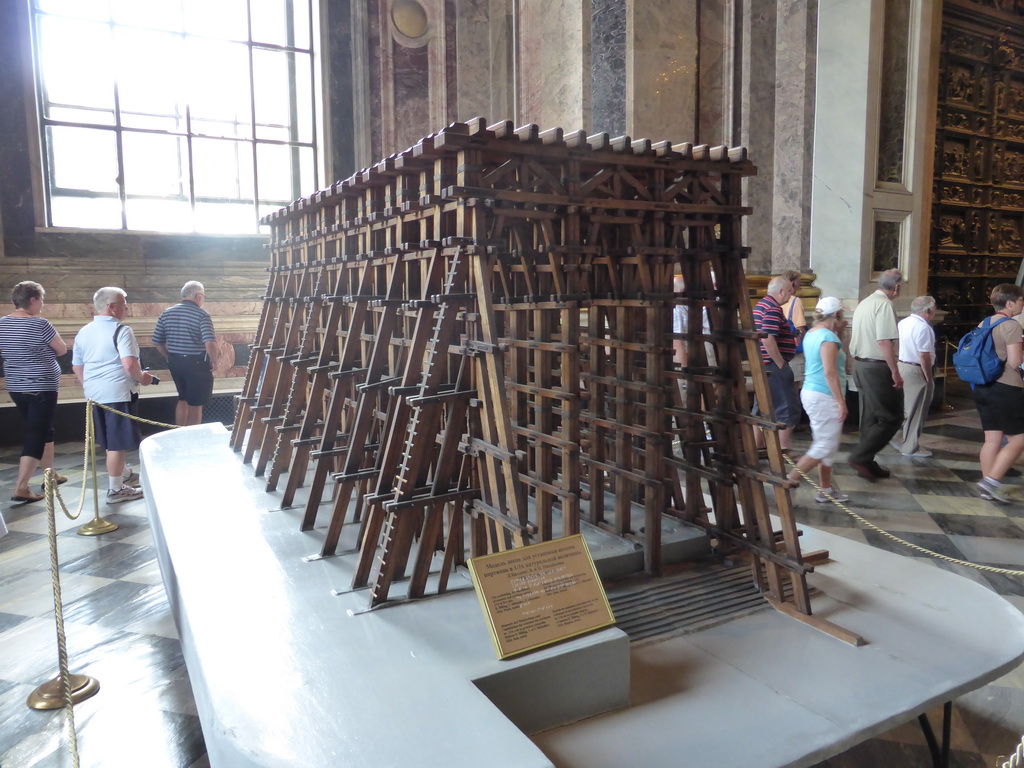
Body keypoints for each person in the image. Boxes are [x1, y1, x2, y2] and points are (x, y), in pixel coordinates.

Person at [72, 287, 156, 504]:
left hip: (95, 395)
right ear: (112, 307)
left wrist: (91, 386)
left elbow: (77, 366)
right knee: (117, 443)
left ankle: (123, 473)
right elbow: (129, 364)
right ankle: (115, 489)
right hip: (118, 393)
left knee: (110, 440)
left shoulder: (84, 331)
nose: (126, 307)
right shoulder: (122, 330)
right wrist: (144, 378)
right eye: (123, 302)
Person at [0, 281, 69, 502]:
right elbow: (61, 349)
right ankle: (21, 486)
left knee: (44, 429)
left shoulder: (2, 324)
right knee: (36, 435)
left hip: (17, 386)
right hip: (41, 387)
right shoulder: (40, 324)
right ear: (32, 300)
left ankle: (50, 474)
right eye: (41, 300)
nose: (42, 305)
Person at [787, 297, 849, 503]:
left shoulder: (814, 333)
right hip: (824, 395)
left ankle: (826, 489)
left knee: (828, 444)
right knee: (823, 446)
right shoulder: (829, 339)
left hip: (813, 392)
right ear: (837, 315)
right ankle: (788, 481)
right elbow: (830, 373)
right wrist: (841, 402)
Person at [848, 268, 904, 480]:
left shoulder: (865, 302)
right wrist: (895, 371)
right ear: (896, 287)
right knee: (892, 416)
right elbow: (884, 341)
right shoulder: (884, 305)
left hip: (860, 365)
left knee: (870, 416)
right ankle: (861, 457)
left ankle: (867, 462)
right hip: (877, 367)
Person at [972, 284, 1024, 503]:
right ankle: (991, 481)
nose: (1023, 304)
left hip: (983, 387)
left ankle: (988, 486)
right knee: (1019, 439)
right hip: (1007, 388)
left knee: (992, 439)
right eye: (1021, 300)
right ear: (1009, 303)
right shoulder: (1011, 325)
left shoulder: (984, 322)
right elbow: (1014, 361)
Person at [152, 281, 220, 426]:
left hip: (176, 362)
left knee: (182, 398)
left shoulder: (167, 313)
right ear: (198, 295)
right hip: (196, 364)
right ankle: (192, 438)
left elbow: (157, 341)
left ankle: (180, 431)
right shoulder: (202, 315)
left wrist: (168, 356)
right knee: (196, 403)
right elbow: (210, 342)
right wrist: (214, 361)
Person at [752, 275, 800, 451]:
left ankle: (757, 445)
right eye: (789, 290)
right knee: (787, 406)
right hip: (772, 365)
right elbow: (768, 337)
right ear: (780, 292)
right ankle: (783, 450)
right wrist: (780, 363)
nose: (791, 294)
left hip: (762, 364)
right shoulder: (772, 308)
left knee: (762, 405)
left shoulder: (760, 305)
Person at [892, 296, 938, 458]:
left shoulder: (903, 323)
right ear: (927, 310)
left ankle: (901, 439)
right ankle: (910, 447)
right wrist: (929, 377)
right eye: (934, 309)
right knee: (917, 410)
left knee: (906, 408)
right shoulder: (923, 328)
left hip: (903, 366)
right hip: (917, 370)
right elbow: (923, 355)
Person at [779, 269, 807, 383]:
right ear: (793, 284)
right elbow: (799, 327)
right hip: (792, 351)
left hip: (778, 349)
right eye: (798, 284)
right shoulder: (795, 301)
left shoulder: (775, 298)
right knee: (794, 385)